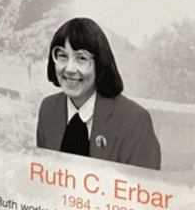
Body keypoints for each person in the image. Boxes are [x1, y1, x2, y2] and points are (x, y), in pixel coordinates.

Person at [36, 17, 161, 170]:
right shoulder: (48, 109)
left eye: (81, 58)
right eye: (62, 56)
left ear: (100, 63)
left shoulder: (134, 120)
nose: (69, 69)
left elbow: (144, 188)